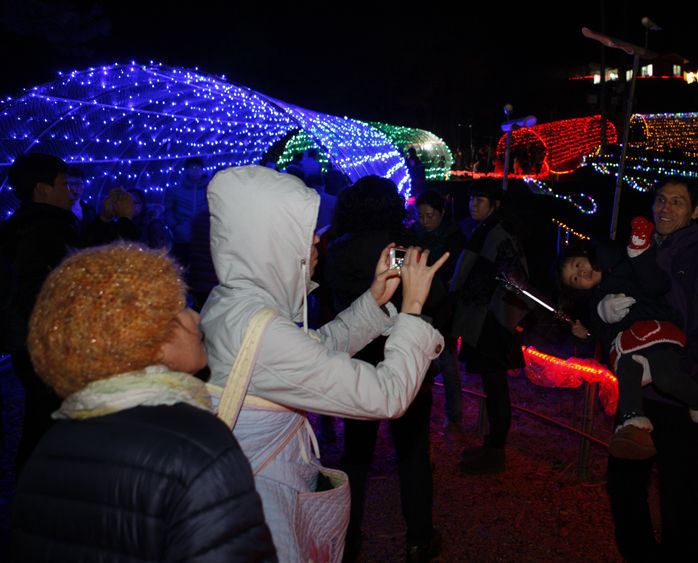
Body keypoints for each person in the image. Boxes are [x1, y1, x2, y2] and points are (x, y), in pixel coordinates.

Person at [199, 165, 448, 563]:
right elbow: (385, 396)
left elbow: (315, 347)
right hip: (263, 505)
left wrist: (373, 301)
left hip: (252, 487)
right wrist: (412, 309)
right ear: (272, 241)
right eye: (303, 230)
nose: (316, 239)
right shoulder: (261, 328)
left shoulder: (235, 303)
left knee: (356, 454)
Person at [10, 242, 276, 561]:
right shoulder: (195, 443)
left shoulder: (49, 446)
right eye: (180, 307)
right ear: (144, 336)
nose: (195, 317)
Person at [606, 175, 698, 563]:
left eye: (677, 201)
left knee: (679, 491)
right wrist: (601, 315)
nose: (665, 208)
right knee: (623, 482)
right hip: (635, 392)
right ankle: (641, 554)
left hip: (678, 393)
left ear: (696, 211)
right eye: (660, 199)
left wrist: (675, 372)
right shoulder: (635, 250)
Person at [325, 176, 444, 563]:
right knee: (413, 451)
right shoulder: (408, 247)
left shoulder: (338, 247)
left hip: (356, 357)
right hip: (405, 357)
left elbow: (331, 299)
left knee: (355, 453)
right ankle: (419, 539)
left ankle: (346, 539)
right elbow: (433, 299)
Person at [0, 153, 139, 476]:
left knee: (43, 415)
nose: (73, 192)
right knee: (50, 419)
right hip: (50, 341)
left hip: (30, 338)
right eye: (64, 184)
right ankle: (41, 485)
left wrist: (103, 219)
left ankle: (36, 483)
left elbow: (80, 250)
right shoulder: (47, 228)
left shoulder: (26, 223)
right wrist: (124, 222)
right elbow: (98, 267)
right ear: (42, 189)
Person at [556, 218, 698, 460]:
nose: (581, 273)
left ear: (586, 254)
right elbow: (600, 335)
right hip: (627, 345)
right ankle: (633, 425)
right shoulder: (593, 304)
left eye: (578, 265)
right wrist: (588, 331)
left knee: (665, 377)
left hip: (656, 330)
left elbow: (657, 285)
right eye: (575, 279)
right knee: (627, 372)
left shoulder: (622, 263)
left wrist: (639, 253)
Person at [450, 178, 530, 474]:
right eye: (471, 198)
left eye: (480, 199)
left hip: (494, 319)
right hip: (489, 317)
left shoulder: (498, 231)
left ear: (495, 204)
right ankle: (491, 447)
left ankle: (495, 452)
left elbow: (505, 279)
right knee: (492, 385)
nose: (473, 204)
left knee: (496, 387)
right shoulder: (489, 229)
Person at [415, 189, 468, 442]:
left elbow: (457, 279)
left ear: (442, 212)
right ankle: (416, 415)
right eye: (421, 216)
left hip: (445, 310)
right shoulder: (415, 235)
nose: (425, 222)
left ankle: (454, 419)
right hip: (419, 308)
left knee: (448, 367)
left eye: (430, 216)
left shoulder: (455, 239)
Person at [163, 156, 209, 268]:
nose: (195, 171)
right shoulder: (175, 190)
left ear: (203, 170)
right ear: (187, 170)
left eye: (198, 168)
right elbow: (168, 210)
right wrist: (176, 226)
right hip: (182, 237)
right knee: (180, 267)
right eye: (192, 167)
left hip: (203, 236)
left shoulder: (210, 189)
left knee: (201, 267)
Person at [67, 165, 98, 229]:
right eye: (70, 184)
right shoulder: (59, 210)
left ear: (83, 185)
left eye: (78, 184)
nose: (74, 188)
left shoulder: (90, 210)